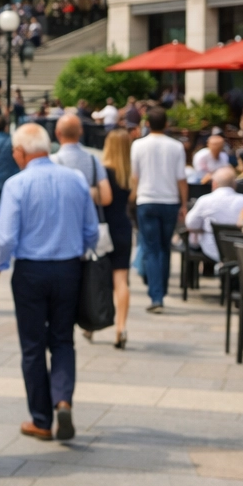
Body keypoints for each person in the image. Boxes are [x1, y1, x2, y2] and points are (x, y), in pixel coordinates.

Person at [0, 123, 97, 442]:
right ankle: (62, 399)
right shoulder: (75, 179)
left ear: (21, 152)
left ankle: (41, 419)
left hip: (31, 272)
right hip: (68, 269)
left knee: (33, 347)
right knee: (63, 339)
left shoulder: (16, 184)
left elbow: (5, 237)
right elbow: (91, 230)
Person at [131, 106, 188, 313]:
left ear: (147, 123)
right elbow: (181, 179)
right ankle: (159, 290)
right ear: (166, 124)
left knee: (152, 248)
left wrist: (132, 198)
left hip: (146, 199)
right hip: (169, 200)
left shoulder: (138, 145)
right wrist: (184, 204)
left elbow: (134, 177)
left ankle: (156, 293)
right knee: (164, 248)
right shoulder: (175, 147)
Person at [99, 129, 135, 349]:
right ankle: (120, 326)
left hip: (104, 229)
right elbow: (132, 199)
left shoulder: (103, 171)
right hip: (123, 227)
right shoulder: (129, 174)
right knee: (121, 280)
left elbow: (104, 199)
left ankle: (91, 322)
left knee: (98, 277)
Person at [185, 167, 243, 260]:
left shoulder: (205, 200)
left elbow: (190, 224)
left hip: (211, 249)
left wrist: (202, 229)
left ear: (214, 183)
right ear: (234, 184)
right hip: (237, 249)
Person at [52, 114, 110, 206]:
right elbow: (105, 197)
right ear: (81, 131)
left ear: (57, 133)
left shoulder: (52, 161)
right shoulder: (93, 159)